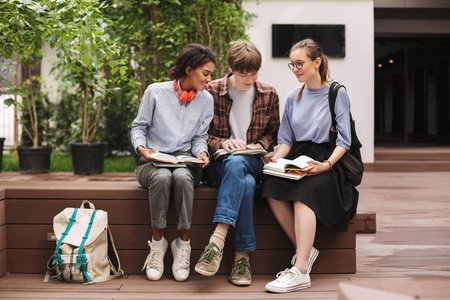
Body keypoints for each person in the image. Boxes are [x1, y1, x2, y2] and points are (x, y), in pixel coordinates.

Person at [261, 39, 358, 293]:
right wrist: (273, 160)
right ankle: (306, 248)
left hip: (329, 160)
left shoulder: (337, 92)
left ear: (317, 63)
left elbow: (345, 141)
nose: (295, 69)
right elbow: (286, 140)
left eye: (300, 63)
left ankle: (301, 270)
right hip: (298, 157)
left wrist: (325, 165)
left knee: (305, 193)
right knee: (271, 186)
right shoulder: (293, 97)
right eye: (292, 64)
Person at [194, 41, 280, 286]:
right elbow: (200, 134)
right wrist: (222, 143)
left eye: (254, 72)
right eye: (244, 73)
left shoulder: (269, 93)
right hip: (218, 165)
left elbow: (273, 134)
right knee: (247, 183)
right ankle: (242, 258)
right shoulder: (210, 91)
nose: (249, 78)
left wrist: (259, 146)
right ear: (231, 67)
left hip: (252, 160)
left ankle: (217, 240)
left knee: (240, 163)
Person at [130, 43, 215, 282]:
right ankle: (158, 244)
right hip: (151, 163)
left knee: (180, 176)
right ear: (189, 69)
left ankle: (183, 244)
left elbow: (200, 136)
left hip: (185, 164)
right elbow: (139, 127)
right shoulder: (155, 92)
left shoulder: (206, 100)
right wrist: (142, 149)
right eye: (205, 73)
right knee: (162, 176)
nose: (209, 79)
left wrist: (201, 153)